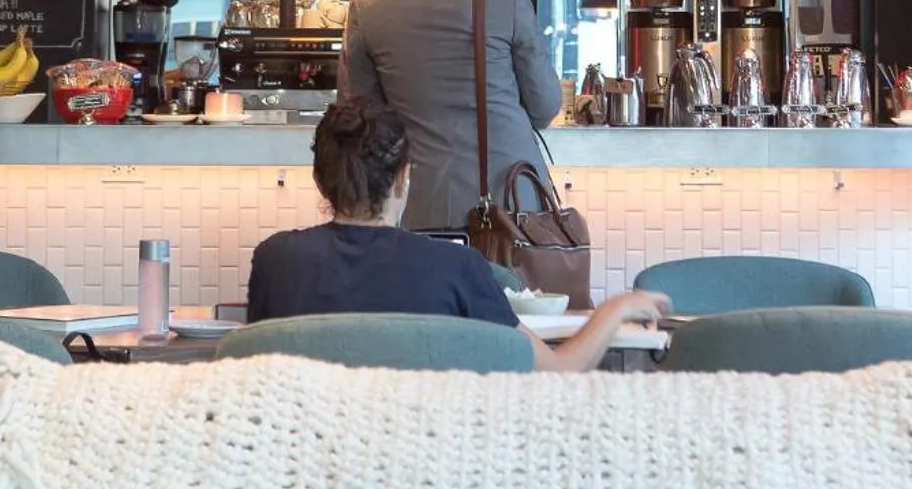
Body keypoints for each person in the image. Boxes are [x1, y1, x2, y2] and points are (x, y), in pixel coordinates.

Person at [246, 98, 667, 372]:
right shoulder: (455, 267)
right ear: (402, 180)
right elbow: (555, 373)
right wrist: (613, 311)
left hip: (309, 480)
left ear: (320, 180)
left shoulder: (276, 261)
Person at [340, 0, 561, 230]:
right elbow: (545, 106)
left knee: (428, 287)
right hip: (510, 201)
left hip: (418, 201)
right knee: (511, 289)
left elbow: (356, 114)